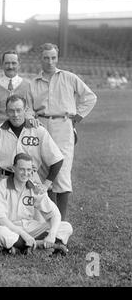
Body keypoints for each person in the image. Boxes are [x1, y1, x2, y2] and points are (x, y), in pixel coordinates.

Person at [28, 43, 97, 220]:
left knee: (62, 171)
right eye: (46, 58)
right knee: (44, 170)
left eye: (53, 58)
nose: (50, 61)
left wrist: (77, 117)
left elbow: (89, 97)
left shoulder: (69, 77)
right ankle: (51, 219)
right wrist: (31, 117)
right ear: (40, 59)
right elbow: (28, 108)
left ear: (57, 58)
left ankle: (63, 222)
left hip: (63, 125)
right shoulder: (33, 83)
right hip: (41, 126)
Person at [0, 153, 73, 255]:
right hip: (10, 227)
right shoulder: (2, 186)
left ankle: (21, 248)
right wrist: (24, 234)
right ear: (13, 169)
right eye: (22, 169)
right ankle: (39, 246)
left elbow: (55, 214)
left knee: (65, 227)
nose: (26, 173)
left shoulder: (35, 188)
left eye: (29, 170)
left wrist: (51, 234)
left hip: (30, 227)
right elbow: (0, 218)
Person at [0, 95, 64, 195]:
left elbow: (57, 159)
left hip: (30, 179)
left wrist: (46, 185)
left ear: (25, 110)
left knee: (38, 209)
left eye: (19, 110)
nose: (15, 114)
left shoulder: (38, 130)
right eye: (11, 110)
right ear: (6, 111)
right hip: (5, 180)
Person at [0, 50, 33, 124]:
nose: (10, 66)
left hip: (22, 131)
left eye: (14, 63)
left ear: (19, 65)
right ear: (2, 65)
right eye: (7, 63)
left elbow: (30, 110)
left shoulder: (28, 86)